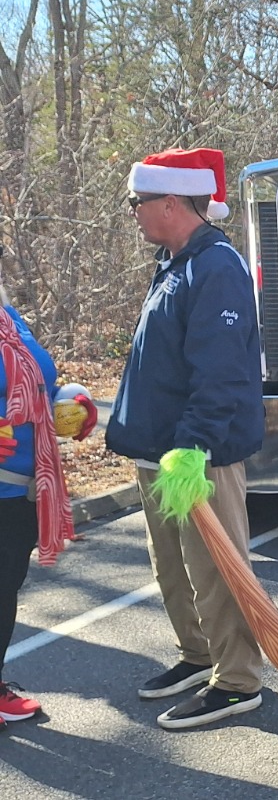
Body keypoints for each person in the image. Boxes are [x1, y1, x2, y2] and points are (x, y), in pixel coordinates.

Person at [107, 148, 267, 730]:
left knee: (217, 568)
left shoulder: (216, 266)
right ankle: (200, 656)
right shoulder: (175, 261)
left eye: (137, 202)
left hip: (197, 456)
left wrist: (194, 446)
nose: (134, 213)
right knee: (173, 568)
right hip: (160, 450)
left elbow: (221, 371)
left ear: (171, 203)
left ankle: (239, 679)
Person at [0, 303, 96, 728]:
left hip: (21, 488)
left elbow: (37, 384)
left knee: (4, 588)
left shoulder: (9, 314)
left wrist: (70, 402)